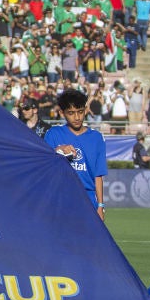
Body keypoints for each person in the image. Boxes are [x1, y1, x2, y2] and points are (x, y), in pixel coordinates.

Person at [44, 89, 107, 221]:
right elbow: (43, 164)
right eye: (71, 113)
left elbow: (98, 175)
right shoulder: (53, 134)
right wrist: (58, 149)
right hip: (61, 199)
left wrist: (100, 205)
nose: (77, 117)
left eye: (80, 112)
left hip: (88, 200)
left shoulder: (96, 138)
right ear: (62, 113)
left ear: (85, 110)